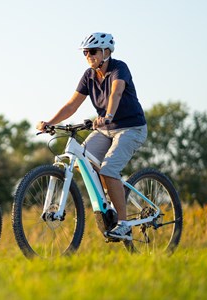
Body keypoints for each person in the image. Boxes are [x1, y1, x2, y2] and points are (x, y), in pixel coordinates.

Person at [36, 32, 147, 240]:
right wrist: (51, 123)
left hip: (130, 128)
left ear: (106, 52)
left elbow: (116, 93)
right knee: (81, 162)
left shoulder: (118, 68)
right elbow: (71, 105)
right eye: (86, 53)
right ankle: (111, 198)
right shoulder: (89, 75)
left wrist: (108, 115)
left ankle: (124, 224)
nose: (89, 56)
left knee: (109, 168)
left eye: (93, 52)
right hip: (105, 129)